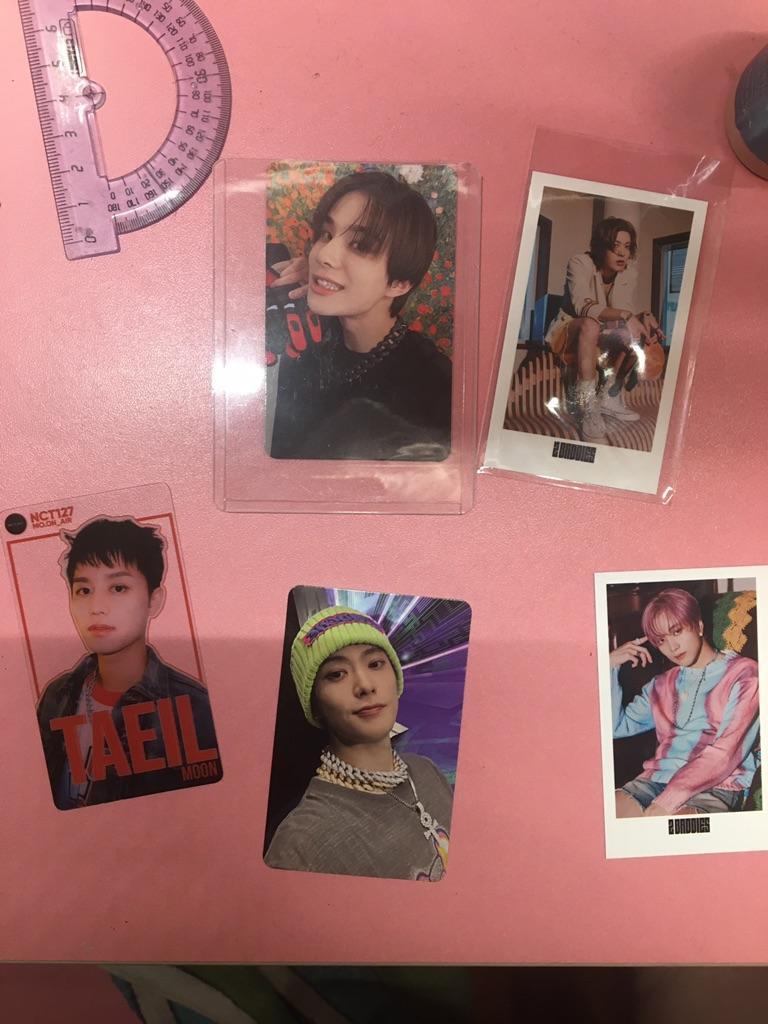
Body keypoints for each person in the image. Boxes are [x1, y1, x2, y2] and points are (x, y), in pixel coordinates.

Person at [37, 517, 220, 810]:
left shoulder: (194, 707)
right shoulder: (56, 697)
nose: (96, 607)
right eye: (84, 590)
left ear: (154, 600)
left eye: (118, 588)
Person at [267, 171, 452, 461]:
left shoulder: (433, 387)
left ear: (399, 283)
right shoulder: (304, 334)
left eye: (361, 246)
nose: (324, 255)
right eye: (326, 235)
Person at [264, 606, 453, 880]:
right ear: (315, 705)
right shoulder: (300, 845)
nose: (365, 685)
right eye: (336, 674)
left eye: (375, 664)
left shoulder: (427, 770)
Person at [610, 588, 759, 818]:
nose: (672, 647)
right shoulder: (660, 684)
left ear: (698, 626)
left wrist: (666, 803)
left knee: (679, 825)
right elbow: (615, 727)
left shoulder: (745, 674)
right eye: (661, 640)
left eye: (677, 631)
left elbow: (725, 754)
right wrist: (609, 667)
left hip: (719, 783)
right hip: (657, 778)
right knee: (608, 815)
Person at [545, 216, 665, 442]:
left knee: (633, 332)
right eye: (615, 245)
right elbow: (582, 307)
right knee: (590, 323)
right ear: (600, 247)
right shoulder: (579, 263)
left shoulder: (628, 273)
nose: (622, 253)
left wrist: (643, 318)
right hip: (568, 332)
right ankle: (587, 406)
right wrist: (627, 315)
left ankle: (609, 397)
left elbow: (621, 314)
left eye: (627, 247)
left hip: (598, 336)